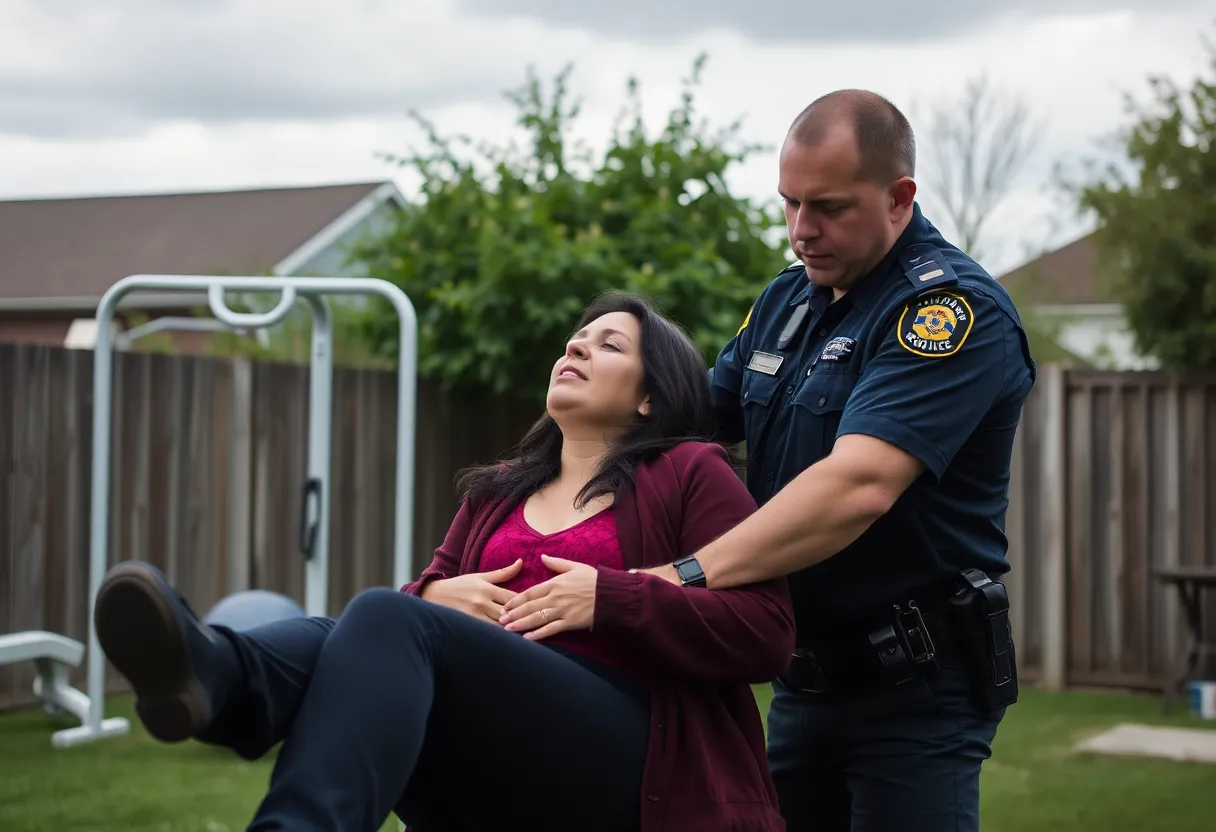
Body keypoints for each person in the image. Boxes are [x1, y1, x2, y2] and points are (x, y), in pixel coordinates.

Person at [92, 292, 796, 832]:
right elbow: (403, 627)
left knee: (379, 613)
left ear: (650, 395)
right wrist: (433, 597)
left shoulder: (689, 472)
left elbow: (766, 632)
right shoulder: (500, 491)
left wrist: (612, 599)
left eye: (606, 346)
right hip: (501, 746)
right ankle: (210, 672)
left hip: (636, 758)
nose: (575, 349)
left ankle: (230, 690)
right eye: (574, 340)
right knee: (374, 620)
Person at [629, 90, 1037, 831]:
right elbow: (685, 435)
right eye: (788, 204)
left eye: (828, 207)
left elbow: (859, 487)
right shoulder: (789, 300)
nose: (800, 231)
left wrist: (686, 576)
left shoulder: (949, 314)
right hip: (799, 681)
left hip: (915, 694)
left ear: (899, 197)